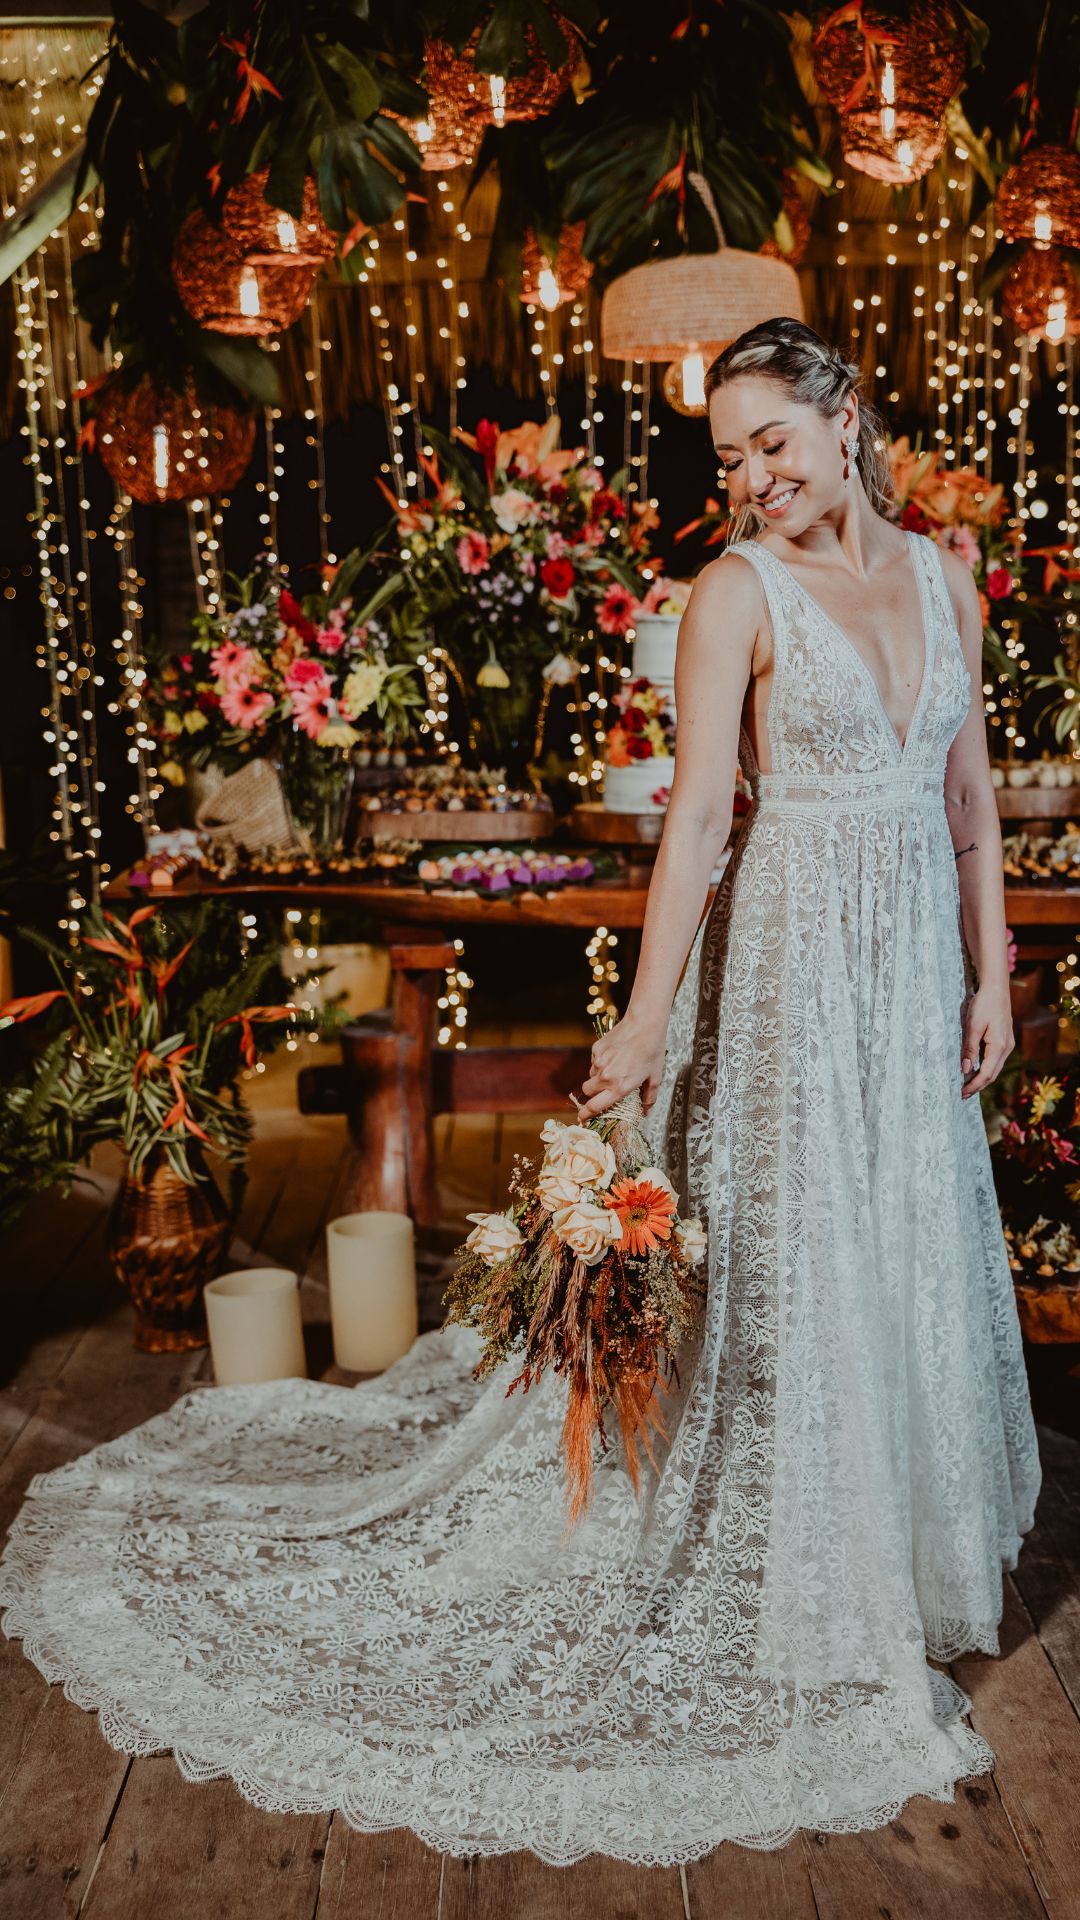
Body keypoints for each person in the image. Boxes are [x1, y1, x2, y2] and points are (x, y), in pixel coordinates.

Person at [0, 319, 1040, 1869]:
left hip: (909, 987)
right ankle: (808, 1570)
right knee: (797, 1253)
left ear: (845, 413)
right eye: (728, 457)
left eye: (773, 441)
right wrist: (639, 1022)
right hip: (789, 980)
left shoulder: (943, 578)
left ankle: (894, 1545)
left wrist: (993, 974)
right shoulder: (733, 596)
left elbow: (968, 804)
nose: (753, 479)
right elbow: (695, 825)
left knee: (906, 1243)